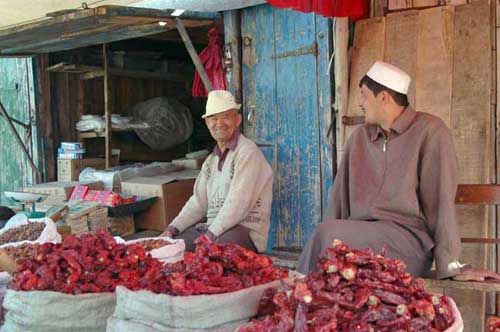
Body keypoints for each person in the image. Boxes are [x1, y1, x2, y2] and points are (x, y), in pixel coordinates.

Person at [298, 61, 462, 279]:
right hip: (359, 238)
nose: (360, 103)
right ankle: (304, 299)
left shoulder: (430, 131)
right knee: (328, 236)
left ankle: (293, 295)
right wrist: (331, 237)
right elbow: (338, 200)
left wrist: (450, 264)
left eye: (364, 95)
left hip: (408, 241)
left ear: (383, 97)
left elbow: (440, 201)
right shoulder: (359, 138)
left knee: (326, 234)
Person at [160, 90, 273, 252]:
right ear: (207, 123)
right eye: (213, 118)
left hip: (245, 231)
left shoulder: (247, 152)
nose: (219, 123)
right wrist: (171, 229)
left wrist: (210, 236)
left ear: (238, 120)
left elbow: (238, 204)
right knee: (174, 247)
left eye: (226, 116)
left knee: (214, 252)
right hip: (213, 228)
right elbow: (197, 203)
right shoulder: (211, 161)